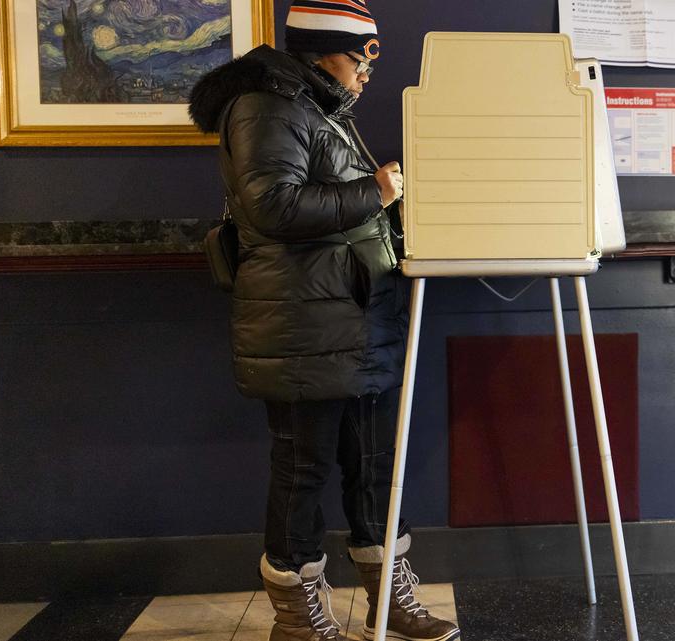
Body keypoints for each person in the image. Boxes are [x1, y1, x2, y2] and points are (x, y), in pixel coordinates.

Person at [188, 2, 460, 640]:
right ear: (321, 52)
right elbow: (271, 207)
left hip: (354, 321)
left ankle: (388, 603)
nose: (369, 69)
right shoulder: (265, 106)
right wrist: (378, 190)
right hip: (303, 330)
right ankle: (297, 617)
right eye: (362, 54)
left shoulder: (311, 107)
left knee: (374, 466)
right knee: (303, 469)